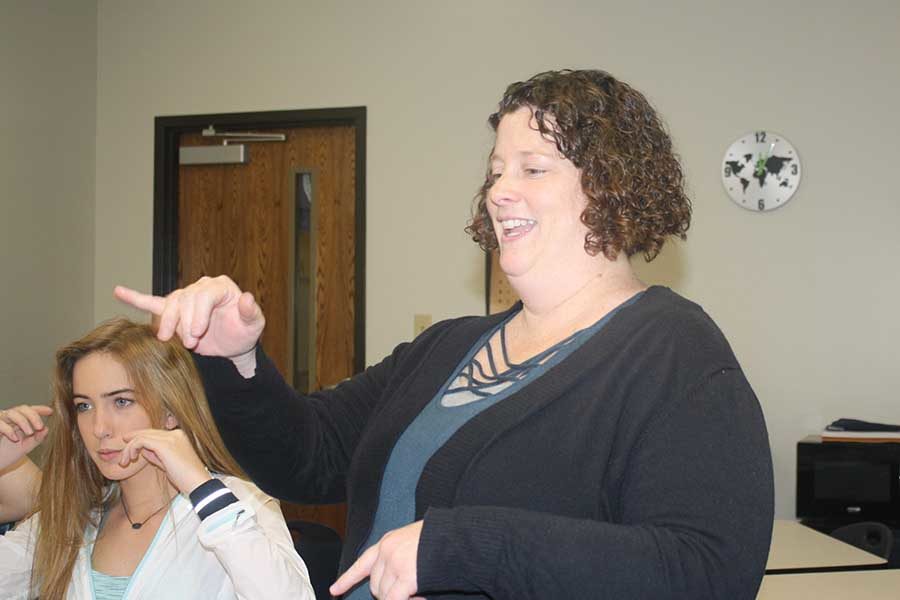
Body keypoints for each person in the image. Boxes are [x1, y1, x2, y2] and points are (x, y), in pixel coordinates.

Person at [115, 69, 774, 599]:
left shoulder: (674, 352)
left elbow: (707, 570)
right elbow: (307, 456)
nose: (498, 191)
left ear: (610, 187)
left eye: (532, 168)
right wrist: (236, 359)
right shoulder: (448, 348)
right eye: (495, 170)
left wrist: (460, 546)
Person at [0, 318, 313, 599]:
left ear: (171, 412)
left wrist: (203, 490)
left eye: (121, 401)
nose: (99, 428)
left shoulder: (242, 503)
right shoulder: (70, 519)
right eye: (84, 406)